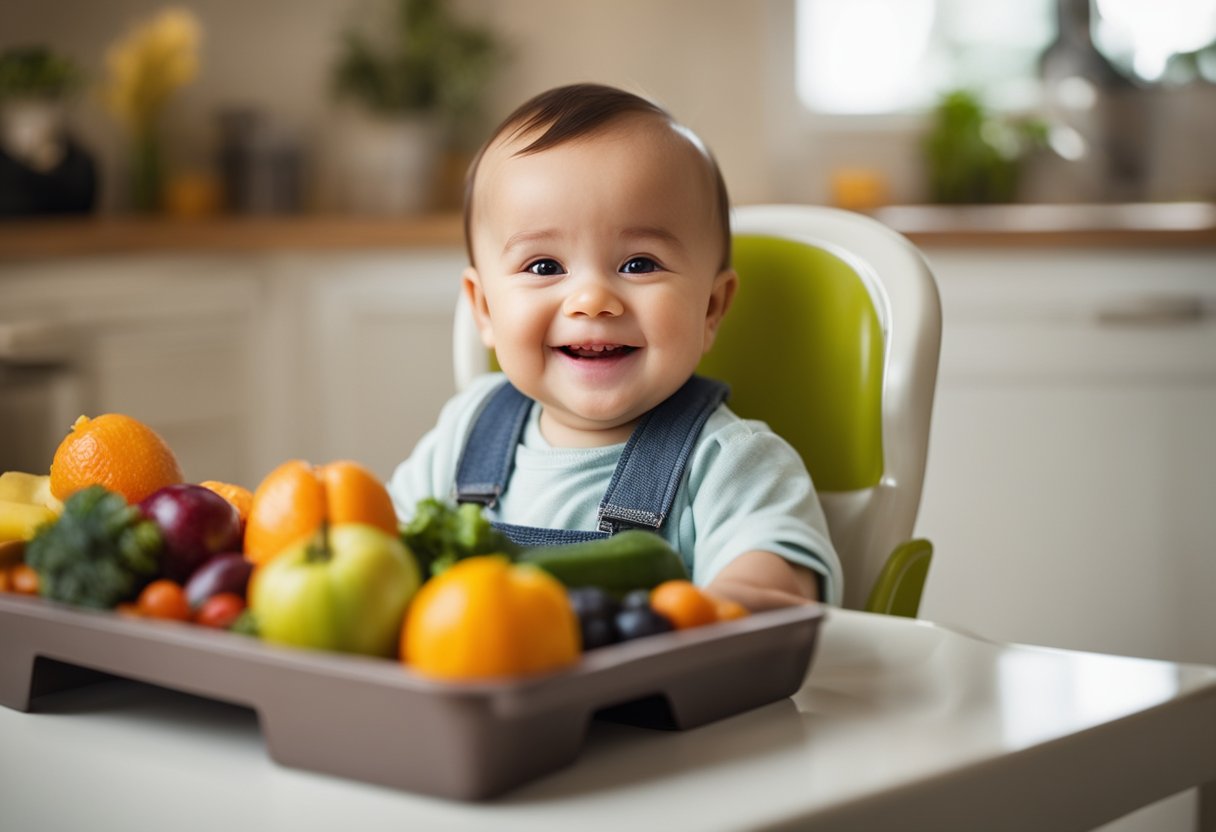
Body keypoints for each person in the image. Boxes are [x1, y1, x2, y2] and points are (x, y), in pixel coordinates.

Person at [389, 83, 842, 610]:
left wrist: (734, 602)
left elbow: (773, 593)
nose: (592, 300)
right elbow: (382, 555)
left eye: (639, 264)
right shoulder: (464, 432)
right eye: (544, 267)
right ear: (485, 309)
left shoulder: (732, 465)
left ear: (711, 309)